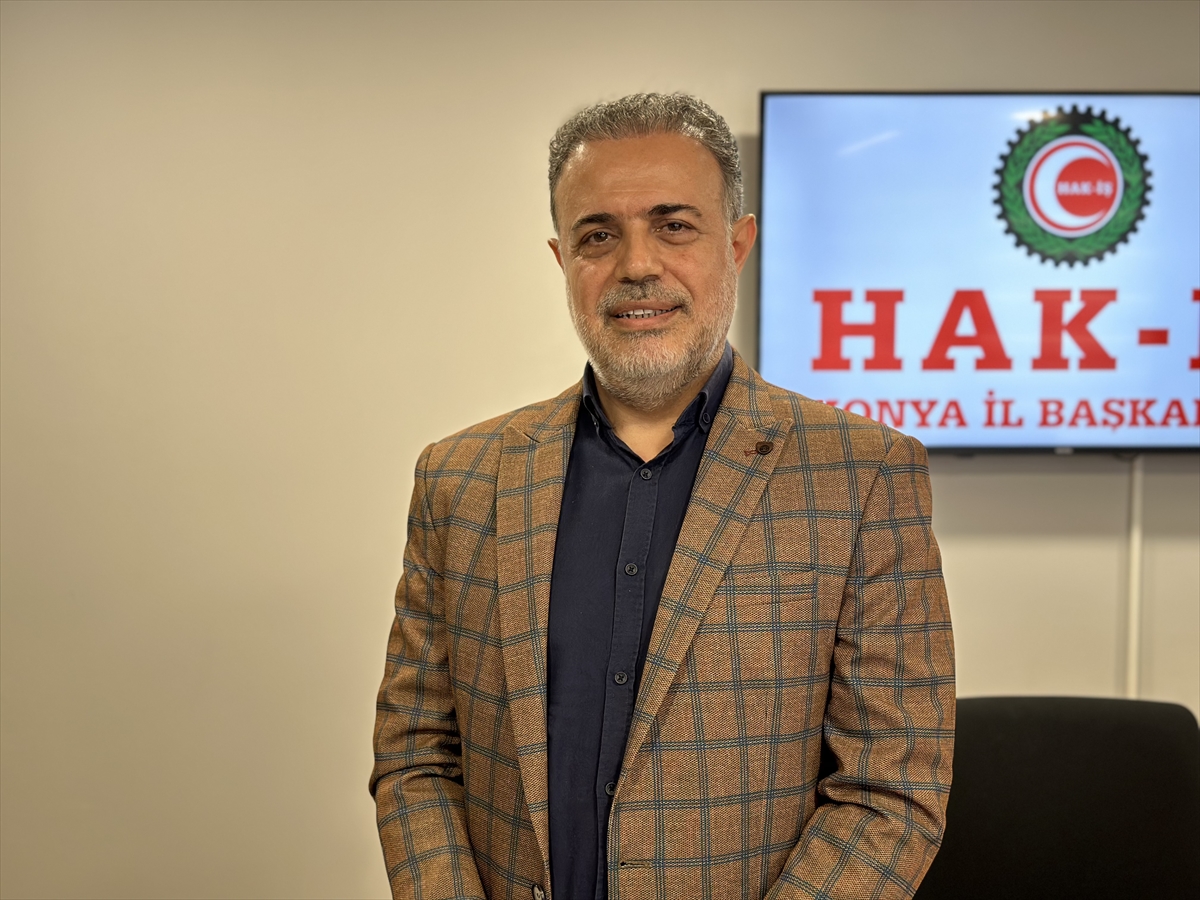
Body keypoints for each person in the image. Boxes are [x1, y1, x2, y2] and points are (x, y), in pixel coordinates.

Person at [371, 92, 954, 900]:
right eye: (598, 235)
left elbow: (890, 792)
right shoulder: (460, 480)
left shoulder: (862, 476)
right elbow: (416, 757)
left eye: (674, 225)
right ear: (562, 260)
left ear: (737, 245)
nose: (636, 264)